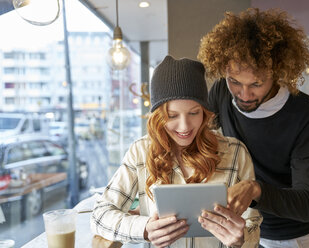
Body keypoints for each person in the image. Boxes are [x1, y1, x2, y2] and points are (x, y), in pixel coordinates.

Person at [197, 8, 309, 248]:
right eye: (234, 81)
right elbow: (198, 135)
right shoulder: (222, 91)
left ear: (278, 73)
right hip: (256, 235)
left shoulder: (307, 114)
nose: (243, 94)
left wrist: (255, 189)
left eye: (256, 83)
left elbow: (307, 204)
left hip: (306, 238)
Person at [90, 55, 262, 248]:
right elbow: (100, 215)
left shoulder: (236, 152)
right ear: (158, 117)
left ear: (205, 113)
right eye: (172, 115)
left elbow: (253, 227)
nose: (184, 126)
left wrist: (242, 239)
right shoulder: (140, 151)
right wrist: (145, 228)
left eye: (194, 113)